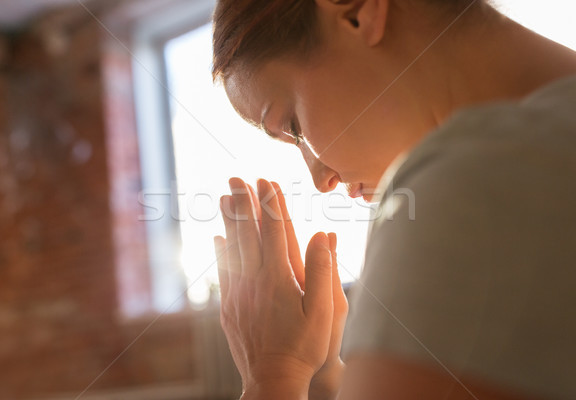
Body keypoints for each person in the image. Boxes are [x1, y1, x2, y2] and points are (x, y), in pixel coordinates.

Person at [211, 0, 576, 398]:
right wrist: (330, 376)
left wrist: (274, 374)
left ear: (358, 12)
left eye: (293, 126)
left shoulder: (469, 184)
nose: (321, 179)